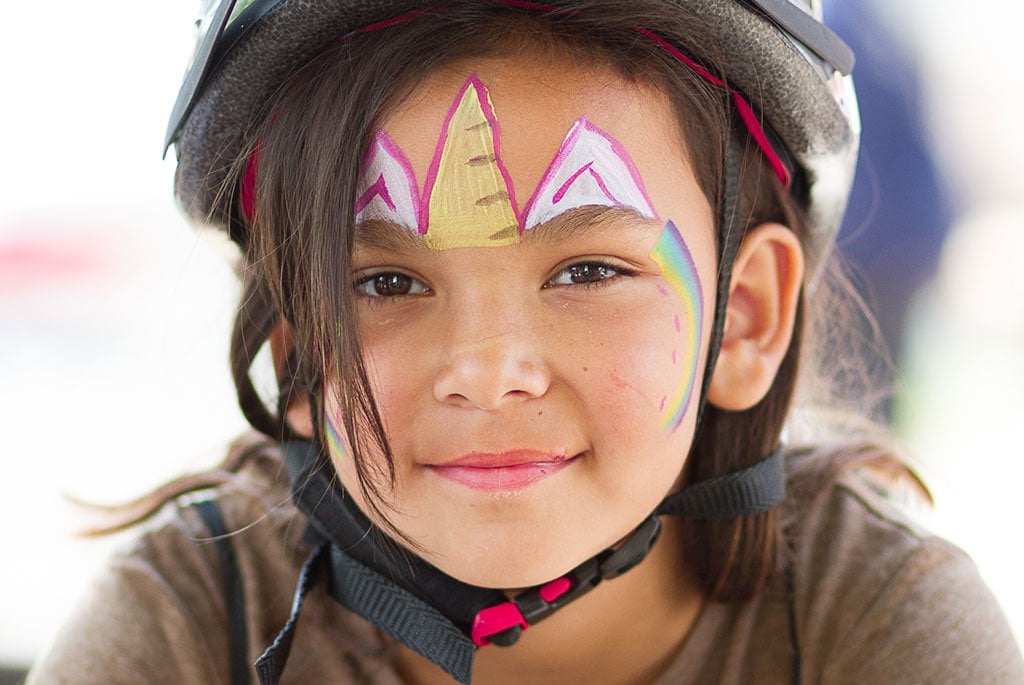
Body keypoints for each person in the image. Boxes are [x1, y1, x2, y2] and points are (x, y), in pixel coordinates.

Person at [28, 1, 1024, 683]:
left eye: (588, 271)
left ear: (745, 318)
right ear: (298, 349)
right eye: (384, 282)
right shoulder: (187, 629)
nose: (490, 368)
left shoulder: (872, 616)